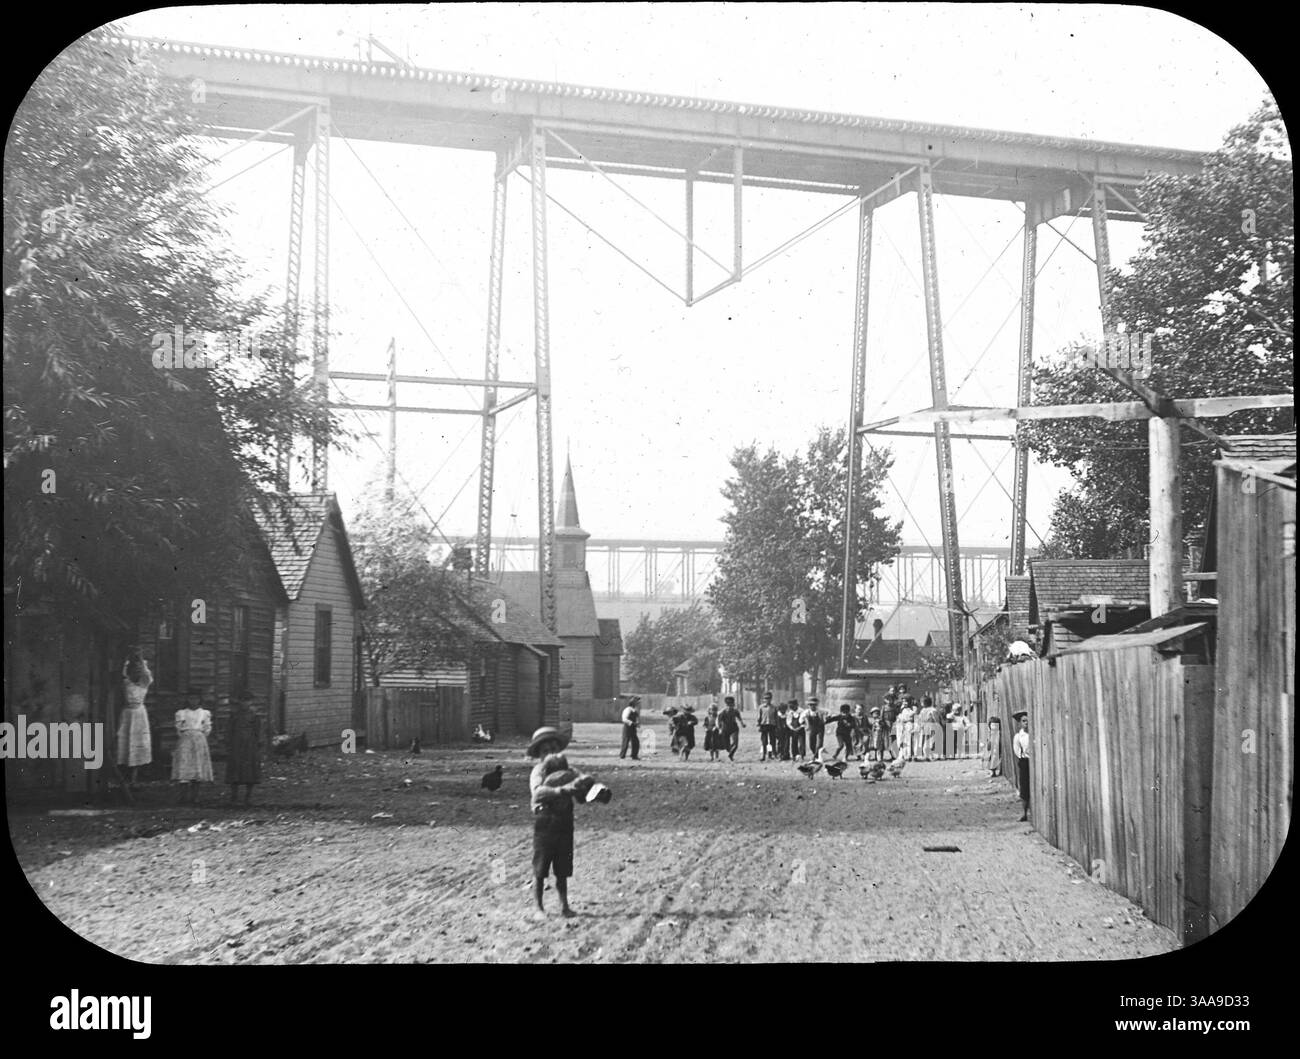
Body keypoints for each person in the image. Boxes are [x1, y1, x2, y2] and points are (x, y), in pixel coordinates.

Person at [528, 726, 590, 919]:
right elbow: (538, 792)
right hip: (545, 821)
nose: (550, 754)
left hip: (564, 821)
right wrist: (561, 790)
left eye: (554, 749)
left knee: (562, 867)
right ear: (539, 754)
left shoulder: (568, 770)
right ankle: (539, 908)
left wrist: (587, 788)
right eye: (545, 750)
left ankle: (564, 906)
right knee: (541, 867)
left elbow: (583, 785)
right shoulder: (539, 771)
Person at [116, 648, 153, 789]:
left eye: (139, 671)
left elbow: (147, 675)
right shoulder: (127, 684)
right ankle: (124, 777)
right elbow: (123, 674)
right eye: (134, 671)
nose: (136, 674)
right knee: (125, 741)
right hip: (127, 714)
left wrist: (142, 660)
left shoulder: (144, 684)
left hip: (139, 715)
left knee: (138, 742)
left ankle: (134, 778)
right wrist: (126, 660)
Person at [172, 686, 213, 803]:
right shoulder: (182, 713)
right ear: (187, 699)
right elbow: (179, 729)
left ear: (200, 699)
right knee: (184, 765)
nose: (193, 700)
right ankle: (183, 797)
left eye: (195, 698)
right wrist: (186, 735)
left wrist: (199, 736)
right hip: (185, 740)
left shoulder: (204, 713)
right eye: (191, 698)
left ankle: (194, 797)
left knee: (197, 766)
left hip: (199, 740)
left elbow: (207, 728)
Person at [225, 690, 262, 805]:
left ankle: (248, 795)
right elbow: (229, 730)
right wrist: (228, 742)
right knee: (235, 767)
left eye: (247, 701)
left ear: (251, 702)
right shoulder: (234, 715)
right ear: (239, 702)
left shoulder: (254, 715)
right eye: (243, 701)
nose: (245, 703)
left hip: (249, 745)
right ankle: (234, 795)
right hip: (236, 745)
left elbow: (258, 731)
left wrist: (258, 743)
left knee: (249, 769)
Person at [1012, 711, 1031, 822]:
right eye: (1024, 721)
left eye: (1028, 721)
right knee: (1024, 788)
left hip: (1035, 761)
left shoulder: (1033, 734)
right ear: (1020, 723)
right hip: (1025, 762)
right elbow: (1017, 751)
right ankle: (1024, 813)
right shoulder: (1019, 736)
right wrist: (1023, 756)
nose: (1026, 723)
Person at [717, 696, 746, 761]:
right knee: (727, 746)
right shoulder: (722, 712)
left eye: (731, 704)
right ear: (726, 705)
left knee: (735, 744)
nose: (730, 707)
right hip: (725, 729)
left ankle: (731, 755)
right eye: (728, 705)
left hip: (734, 728)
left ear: (733, 704)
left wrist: (742, 724)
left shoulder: (735, 711)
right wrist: (719, 729)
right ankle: (730, 751)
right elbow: (718, 721)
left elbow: (739, 718)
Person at [917, 697, 940, 761]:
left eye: (922, 702)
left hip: (931, 725)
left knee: (931, 740)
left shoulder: (932, 710)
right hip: (924, 726)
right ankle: (926, 755)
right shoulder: (922, 710)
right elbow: (920, 718)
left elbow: (936, 718)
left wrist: (937, 724)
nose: (921, 703)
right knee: (924, 740)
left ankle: (930, 755)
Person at [757, 693, 777, 761]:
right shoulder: (761, 707)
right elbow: (759, 717)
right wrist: (759, 724)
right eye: (765, 698)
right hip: (764, 725)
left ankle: (770, 754)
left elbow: (776, 717)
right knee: (764, 741)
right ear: (763, 699)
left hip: (772, 725)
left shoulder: (774, 707)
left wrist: (776, 725)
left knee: (771, 741)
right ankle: (763, 755)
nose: (767, 700)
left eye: (768, 698)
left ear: (771, 699)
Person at [896, 697, 917, 761]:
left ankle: (910, 755)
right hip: (902, 726)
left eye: (906, 701)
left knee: (909, 741)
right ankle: (903, 755)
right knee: (902, 741)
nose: (904, 703)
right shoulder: (901, 710)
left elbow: (913, 717)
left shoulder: (911, 710)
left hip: (909, 725)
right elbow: (900, 717)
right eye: (903, 702)